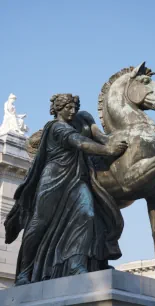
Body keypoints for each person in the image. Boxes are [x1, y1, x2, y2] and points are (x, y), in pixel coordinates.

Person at [4, 93, 127, 286]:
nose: (72, 111)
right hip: (53, 179)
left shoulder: (75, 125)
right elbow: (80, 143)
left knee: (87, 214)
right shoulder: (56, 127)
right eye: (68, 108)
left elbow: (91, 137)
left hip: (76, 179)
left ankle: (76, 264)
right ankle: (24, 272)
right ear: (57, 109)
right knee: (39, 224)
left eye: (74, 108)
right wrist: (109, 150)